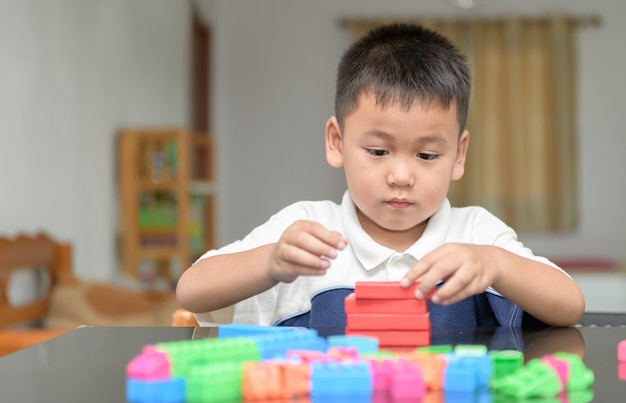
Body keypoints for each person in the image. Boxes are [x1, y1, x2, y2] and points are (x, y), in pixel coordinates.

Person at [176, 22, 585, 329]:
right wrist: (270, 261)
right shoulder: (307, 228)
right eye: (378, 151)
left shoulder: (475, 233)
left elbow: (570, 305)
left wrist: (496, 264)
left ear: (458, 155)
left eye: (427, 154)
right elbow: (191, 289)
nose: (402, 175)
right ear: (337, 142)